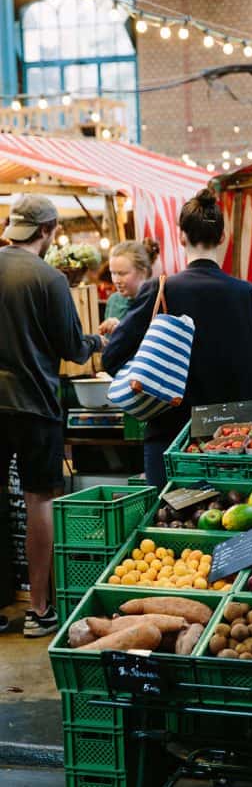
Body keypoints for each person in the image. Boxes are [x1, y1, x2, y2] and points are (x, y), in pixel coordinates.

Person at [103, 189, 252, 488]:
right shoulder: (249, 295)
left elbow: (112, 358)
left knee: (169, 526)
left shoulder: (161, 291)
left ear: (181, 237)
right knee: (236, 524)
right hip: (239, 441)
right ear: (223, 238)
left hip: (172, 439)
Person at [0, 195, 105, 636]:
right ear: (48, 231)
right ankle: (39, 611)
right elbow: (71, 348)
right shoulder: (49, 278)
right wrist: (98, 341)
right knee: (39, 499)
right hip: (33, 405)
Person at [98, 240, 157, 336]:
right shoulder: (113, 300)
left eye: (122, 273)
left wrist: (121, 329)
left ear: (143, 272)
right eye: (113, 273)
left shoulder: (155, 302)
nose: (116, 280)